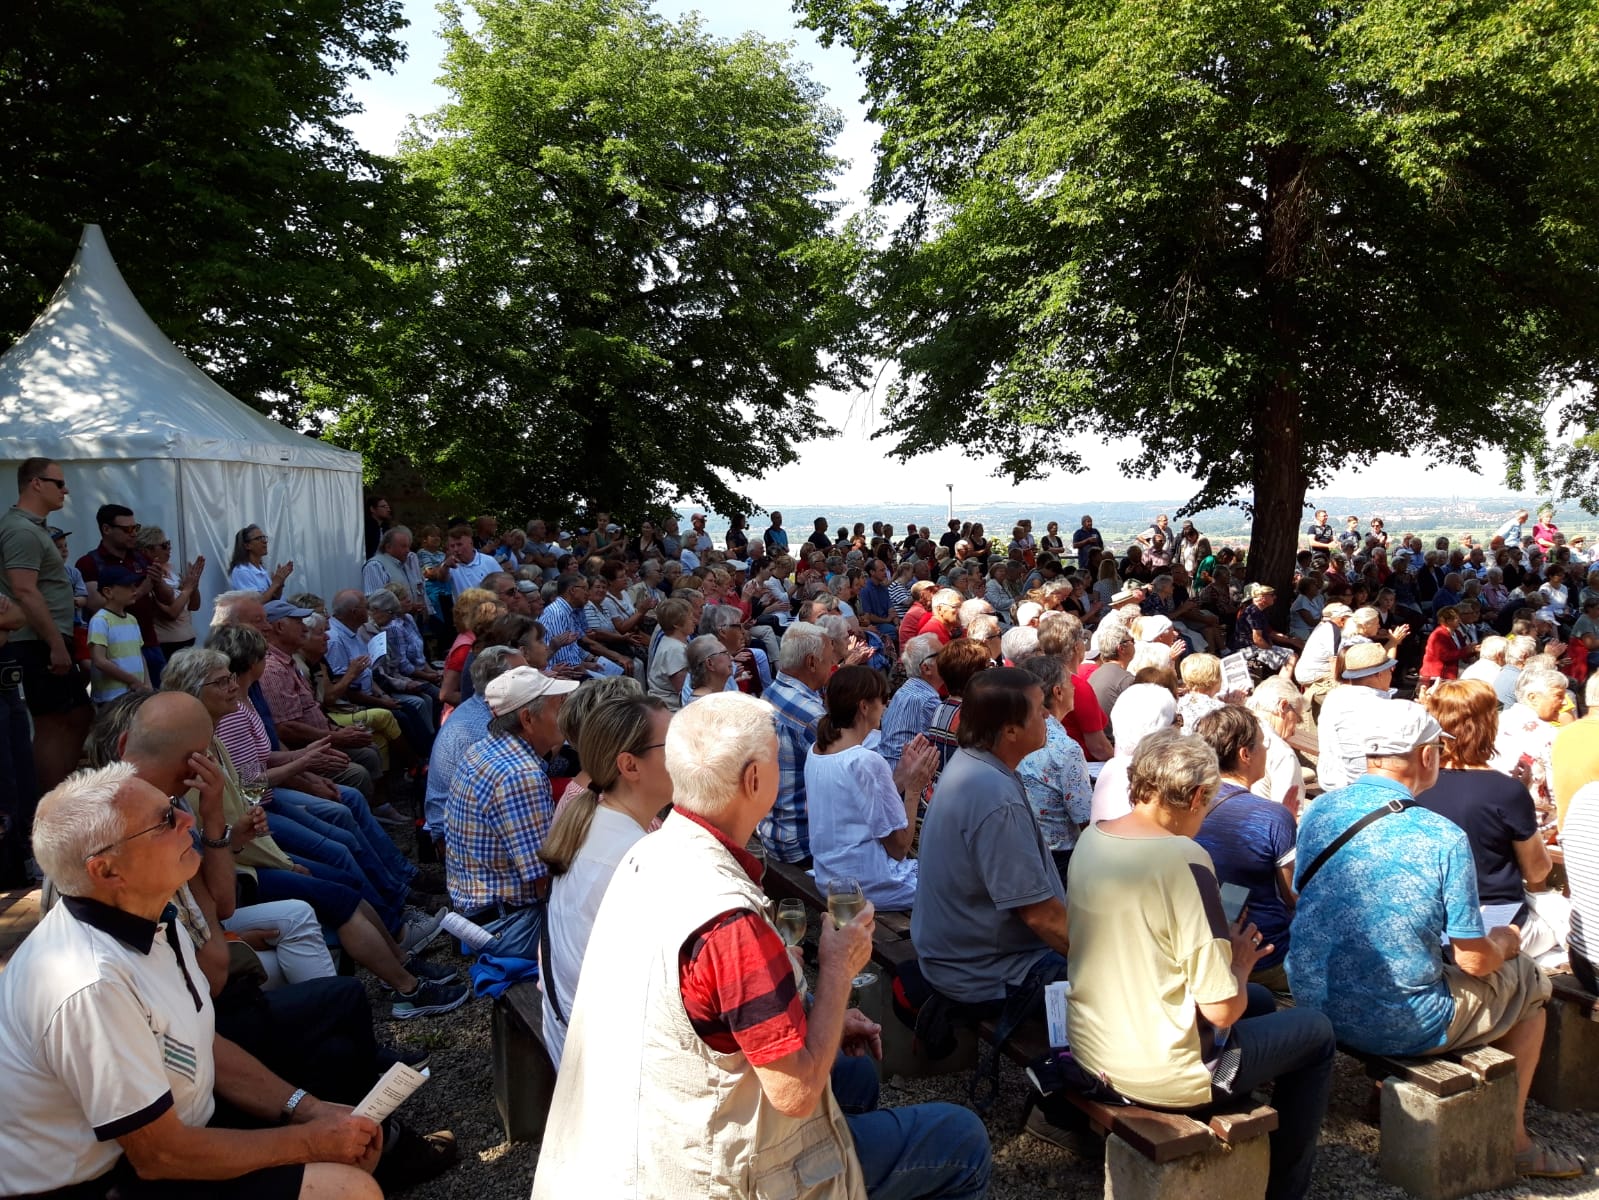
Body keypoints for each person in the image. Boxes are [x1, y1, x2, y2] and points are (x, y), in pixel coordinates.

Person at [533, 691, 992, 1200]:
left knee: (855, 1076)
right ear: (754, 779)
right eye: (777, 758)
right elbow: (795, 1093)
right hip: (702, 1171)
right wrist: (837, 969)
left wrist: (818, 1017)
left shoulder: (648, 851)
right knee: (963, 1138)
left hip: (644, 1129)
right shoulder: (726, 919)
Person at [0, 762, 390, 1199]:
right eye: (165, 820)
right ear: (106, 871)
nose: (188, 819)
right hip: (102, 1181)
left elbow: (202, 1042)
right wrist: (312, 1142)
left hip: (169, 1137)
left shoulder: (149, 916)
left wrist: (309, 1110)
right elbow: (160, 1156)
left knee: (334, 1068)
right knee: (348, 1187)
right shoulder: (92, 984)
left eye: (172, 805)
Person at [1288, 700, 1578, 1179]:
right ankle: (1514, 1139)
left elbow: (1306, 896)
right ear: (1427, 756)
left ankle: (1383, 1092)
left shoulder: (1322, 809)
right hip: (1402, 1021)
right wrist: (1506, 943)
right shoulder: (1441, 836)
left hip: (1313, 994)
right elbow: (1474, 961)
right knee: (1528, 983)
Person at [1068, 727, 1332, 1199]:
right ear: (1194, 797)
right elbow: (1222, 1010)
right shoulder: (1184, 858)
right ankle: (1285, 1189)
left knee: (1261, 1000)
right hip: (1164, 1075)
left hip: (1094, 1047)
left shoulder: (1094, 836)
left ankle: (1249, 1116)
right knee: (1316, 1032)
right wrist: (1241, 963)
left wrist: (1228, 960)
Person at [913, 668, 1067, 1009]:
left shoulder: (974, 764)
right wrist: (1103, 961)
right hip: (988, 974)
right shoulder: (994, 795)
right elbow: (1041, 916)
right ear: (1010, 730)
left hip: (959, 959)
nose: (1047, 714)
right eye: (1039, 708)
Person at [537, 693, 673, 1067]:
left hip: (571, 1036)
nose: (687, 755)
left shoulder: (593, 818)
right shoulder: (639, 858)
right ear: (629, 765)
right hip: (607, 1060)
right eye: (674, 745)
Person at [1418, 680, 1562, 961]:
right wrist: (1521, 798)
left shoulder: (1416, 784)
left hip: (1433, 919)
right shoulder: (1506, 791)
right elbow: (1537, 871)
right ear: (1487, 725)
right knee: (1564, 916)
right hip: (1494, 919)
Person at [445, 666, 579, 957]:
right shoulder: (521, 775)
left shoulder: (485, 749)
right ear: (528, 719)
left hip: (482, 912)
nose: (565, 714)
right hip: (509, 925)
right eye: (558, 707)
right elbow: (545, 881)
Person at [806, 666, 934, 911]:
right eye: (883, 699)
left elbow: (858, 806)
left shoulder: (817, 750)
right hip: (865, 886)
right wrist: (914, 789)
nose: (886, 706)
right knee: (956, 883)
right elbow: (899, 848)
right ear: (864, 706)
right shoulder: (864, 760)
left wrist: (901, 775)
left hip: (828, 877)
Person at [1190, 707, 1298, 992]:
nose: (1266, 749)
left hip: (1202, 950)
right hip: (1264, 956)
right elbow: (1293, 896)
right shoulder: (1273, 816)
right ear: (1245, 754)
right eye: (1262, 743)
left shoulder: (1186, 807)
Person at [1, 462, 92, 796]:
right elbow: (24, 590)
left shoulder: (34, 528)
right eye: (59, 483)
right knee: (54, 722)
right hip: (36, 640)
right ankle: (50, 806)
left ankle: (58, 799)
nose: (65, 490)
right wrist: (55, 644)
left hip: (46, 638)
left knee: (78, 716)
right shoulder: (21, 530)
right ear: (36, 484)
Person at [757, 621, 834, 864]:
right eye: (828, 660)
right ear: (811, 662)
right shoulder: (811, 715)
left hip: (770, 827)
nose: (833, 665)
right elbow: (844, 782)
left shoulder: (772, 691)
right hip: (800, 841)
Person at [1015, 653, 1093, 882]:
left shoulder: (1013, 732)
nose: (1074, 688)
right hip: (1059, 857)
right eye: (1070, 683)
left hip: (1022, 847)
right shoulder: (1066, 749)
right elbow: (1084, 816)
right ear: (1058, 692)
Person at [77, 503, 173, 687]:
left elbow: (168, 598)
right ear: (106, 529)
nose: (134, 533)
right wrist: (142, 589)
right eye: (127, 529)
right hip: (114, 649)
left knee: (157, 697)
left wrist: (158, 581)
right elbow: (96, 604)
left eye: (136, 528)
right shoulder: (89, 563)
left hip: (148, 641)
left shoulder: (140, 558)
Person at [1315, 641, 1396, 791]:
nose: (1392, 674)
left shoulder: (1334, 696)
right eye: (1390, 669)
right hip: (1361, 788)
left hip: (1329, 780)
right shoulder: (1376, 705)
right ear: (1379, 674)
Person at [878, 632, 944, 772]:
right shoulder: (928, 699)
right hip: (905, 777)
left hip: (890, 772)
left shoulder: (905, 689)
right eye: (943, 656)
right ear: (926, 668)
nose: (949, 659)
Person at [137, 525, 203, 660]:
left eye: (169, 544)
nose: (169, 548)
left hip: (186, 642)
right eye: (164, 545)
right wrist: (188, 589)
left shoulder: (173, 573)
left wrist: (194, 585)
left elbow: (194, 606)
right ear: (147, 550)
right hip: (167, 646)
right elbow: (171, 613)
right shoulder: (149, 577)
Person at [87, 564, 149, 704]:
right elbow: (99, 660)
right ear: (108, 592)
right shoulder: (100, 620)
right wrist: (132, 680)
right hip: (111, 699)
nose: (134, 590)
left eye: (134, 585)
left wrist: (147, 685)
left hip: (134, 695)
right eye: (128, 586)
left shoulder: (132, 620)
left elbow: (140, 656)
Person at [1246, 676, 1308, 813]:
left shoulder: (1231, 730)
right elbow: (1288, 816)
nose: (1293, 731)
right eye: (1297, 719)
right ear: (1283, 706)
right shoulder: (1281, 753)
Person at [647, 596, 694, 709]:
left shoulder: (676, 642)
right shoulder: (674, 650)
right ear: (676, 624)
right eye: (690, 618)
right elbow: (685, 692)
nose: (694, 621)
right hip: (671, 709)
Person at [227, 525, 293, 601]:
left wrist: (280, 582)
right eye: (258, 538)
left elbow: (275, 598)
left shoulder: (261, 569)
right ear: (247, 546)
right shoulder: (241, 571)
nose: (264, 541)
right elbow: (256, 603)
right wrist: (275, 584)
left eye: (264, 537)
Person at [1421, 605, 1473, 686]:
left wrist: (1473, 650)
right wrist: (1466, 651)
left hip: (1451, 673)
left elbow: (1463, 651)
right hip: (1437, 675)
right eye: (1456, 618)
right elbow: (1445, 656)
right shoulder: (1439, 635)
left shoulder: (1457, 633)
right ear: (1448, 621)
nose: (1459, 620)